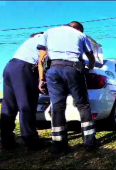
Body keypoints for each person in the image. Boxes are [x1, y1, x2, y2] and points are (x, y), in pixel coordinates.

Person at [37, 21, 97, 155]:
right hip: (73, 69)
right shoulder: (81, 35)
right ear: (79, 29)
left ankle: (58, 146)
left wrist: (41, 79)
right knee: (83, 105)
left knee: (57, 107)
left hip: (53, 69)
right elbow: (90, 57)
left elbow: (41, 58)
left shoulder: (49, 31)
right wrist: (90, 68)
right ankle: (89, 143)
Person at [1, 32, 50, 151]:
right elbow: (42, 58)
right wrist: (42, 79)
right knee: (26, 106)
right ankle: (31, 141)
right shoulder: (43, 38)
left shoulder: (27, 43)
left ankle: (7, 141)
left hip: (10, 67)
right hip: (24, 69)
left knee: (9, 107)